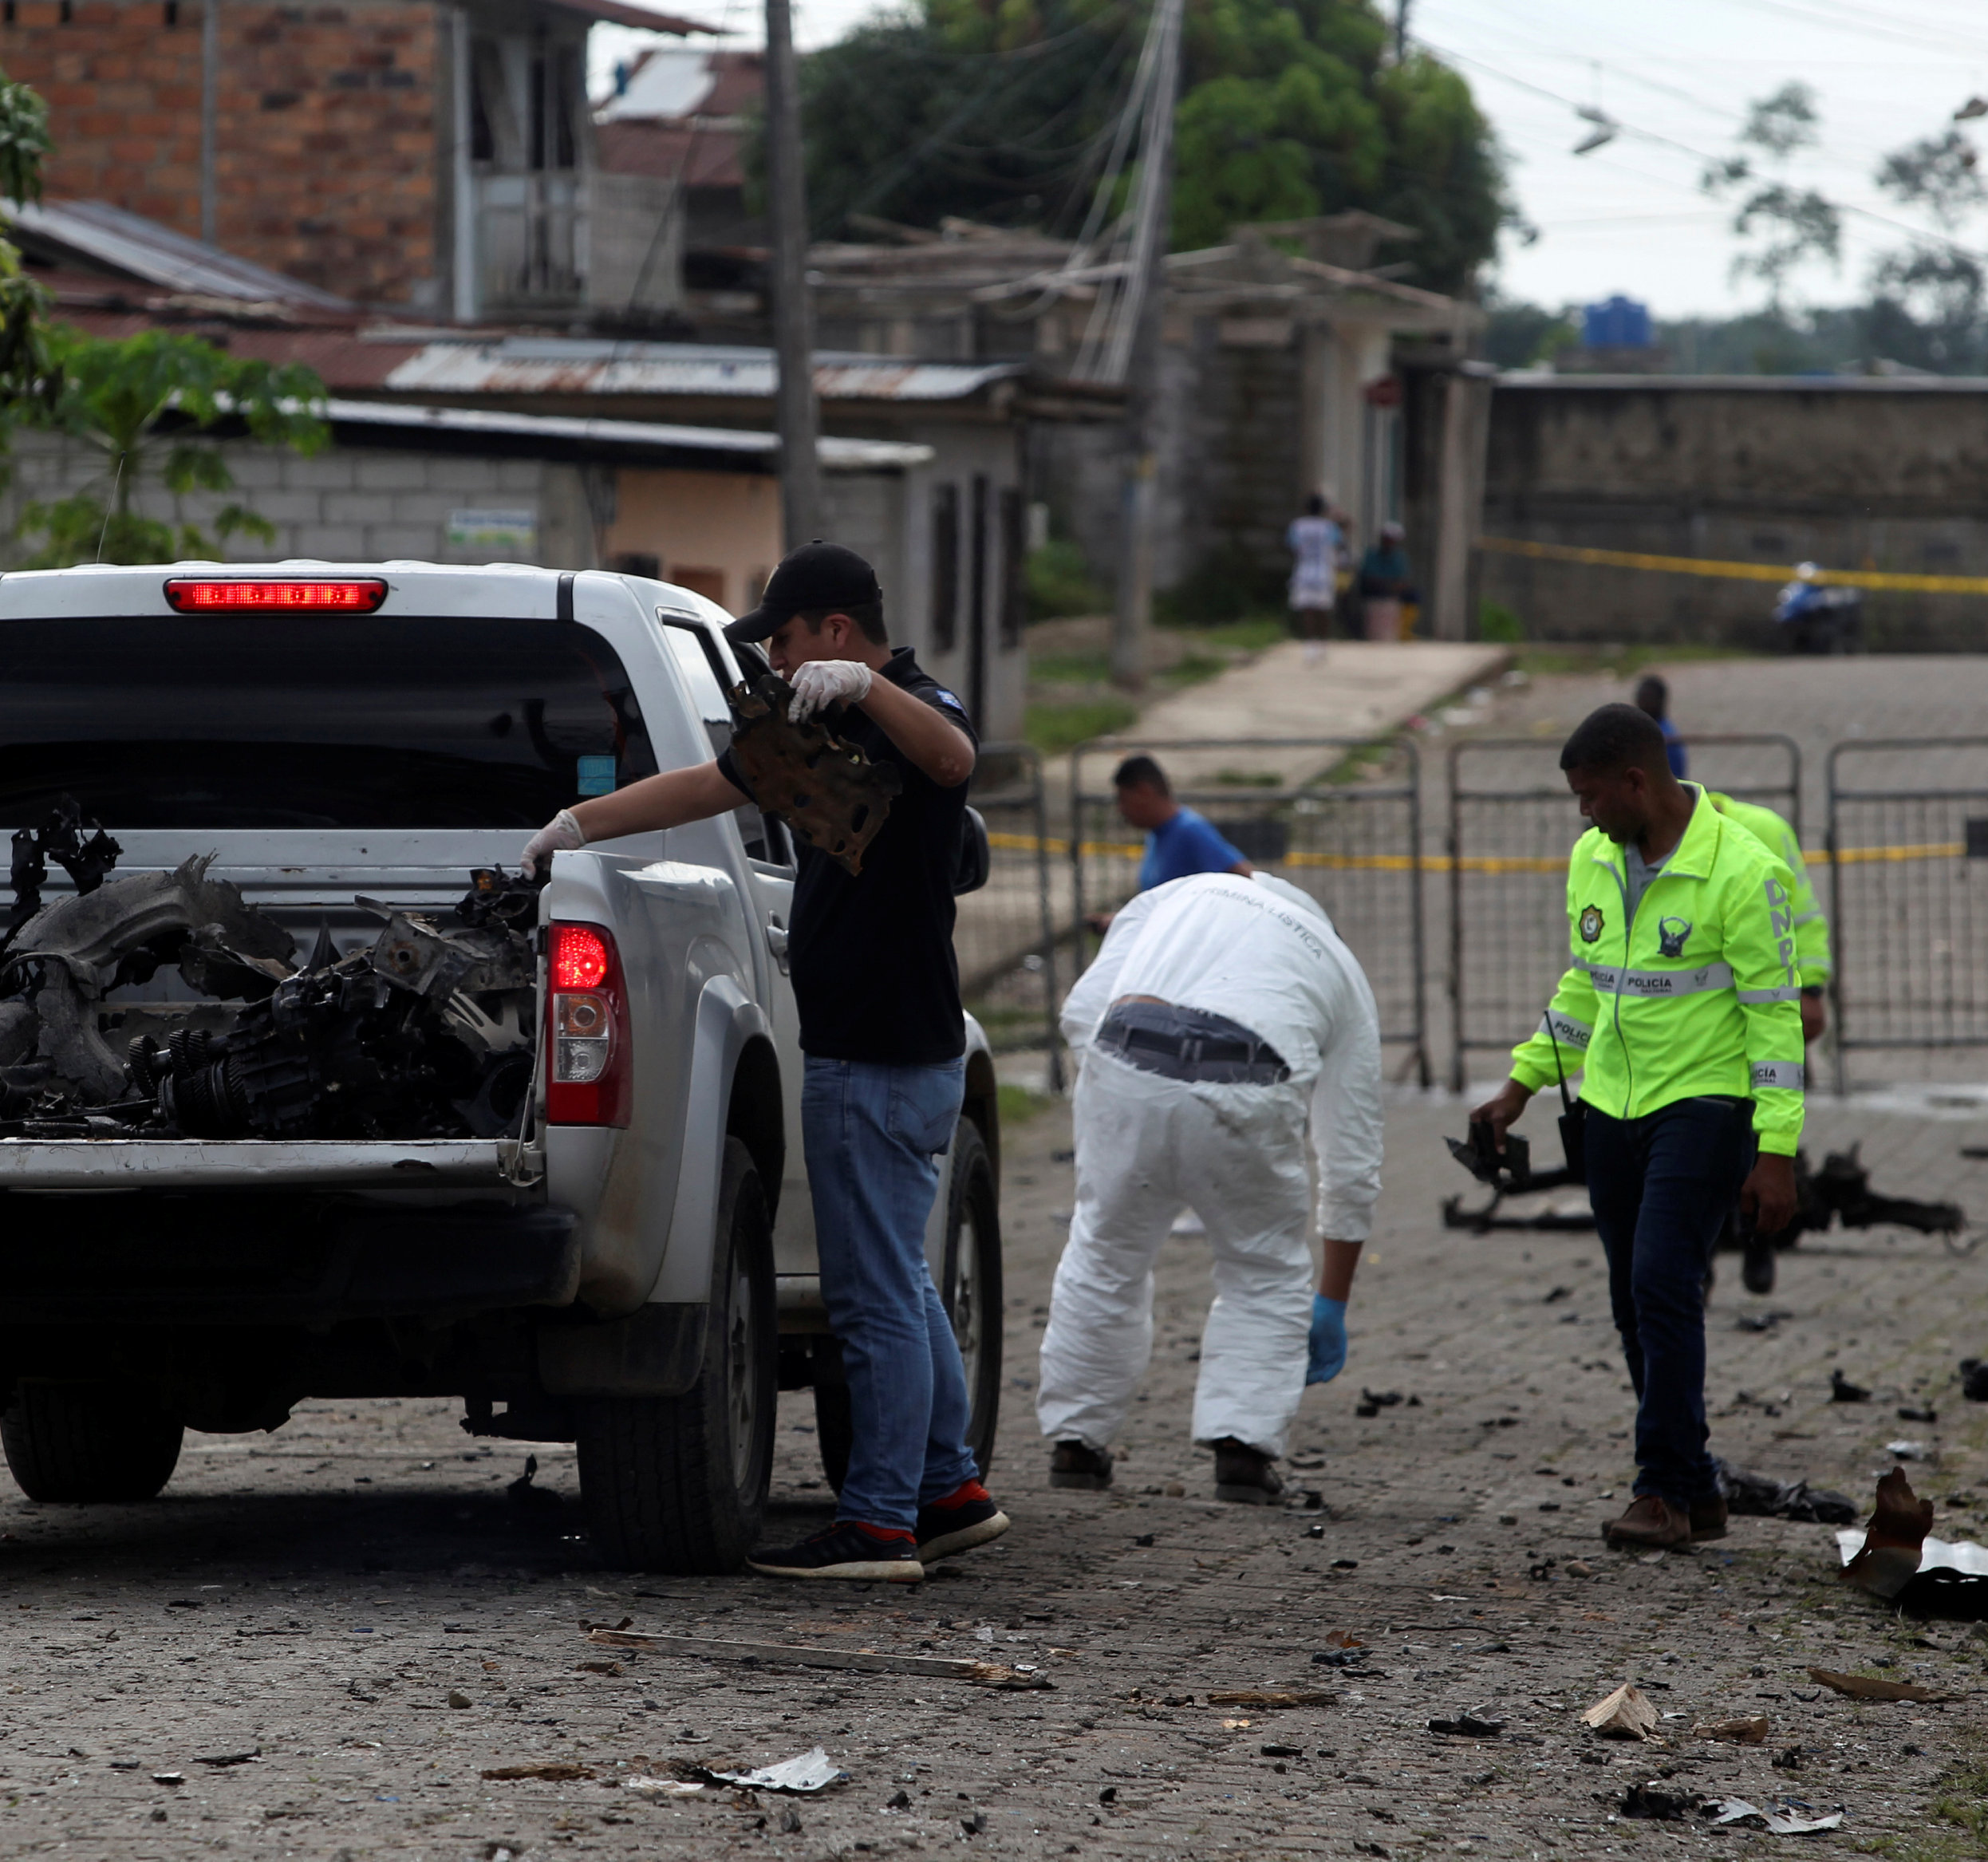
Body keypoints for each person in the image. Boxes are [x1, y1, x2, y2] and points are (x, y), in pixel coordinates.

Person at [519, 541, 1006, 1582]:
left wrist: (873, 684)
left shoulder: (911, 704)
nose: (775, 662)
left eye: (782, 639)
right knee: (905, 1285)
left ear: (837, 631)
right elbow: (709, 783)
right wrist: (576, 824)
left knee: (872, 1298)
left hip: (878, 1053)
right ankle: (948, 1485)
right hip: (891, 1047)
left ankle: (879, 1522)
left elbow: (957, 762)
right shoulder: (822, 722)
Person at [1469, 704, 1802, 1552]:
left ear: (1635, 783)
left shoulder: (1741, 870)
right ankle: (1695, 1483)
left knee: (1661, 1282)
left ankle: (1659, 1491)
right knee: (1630, 1299)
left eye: (1589, 797)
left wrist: (1774, 1150)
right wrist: (1518, 1088)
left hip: (1704, 1105)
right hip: (1610, 1110)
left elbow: (1774, 1021)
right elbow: (1585, 988)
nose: (1582, 815)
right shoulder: (1594, 859)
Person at [1037, 873, 1382, 1502]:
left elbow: (1081, 1012)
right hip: (1248, 1083)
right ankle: (1241, 1452)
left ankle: (1075, 1447)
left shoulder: (1177, 895)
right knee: (1264, 1267)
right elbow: (1352, 1155)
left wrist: (1117, 1105)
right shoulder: (1339, 967)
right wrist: (1332, 1299)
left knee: (1104, 1253)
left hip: (1124, 1058)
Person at [1695, 783, 1828, 1296]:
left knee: (1758, 1142)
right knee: (1699, 1153)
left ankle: (1759, 1243)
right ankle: (1701, 1262)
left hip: (1763, 1020)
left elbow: (1804, 918)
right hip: (1706, 1033)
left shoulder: (1766, 830)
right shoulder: (1657, 842)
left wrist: (1811, 990)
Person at [1083, 755, 1252, 934]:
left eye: (1123, 800)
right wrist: (1120, 920)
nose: (1121, 810)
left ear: (1143, 792)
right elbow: (1159, 907)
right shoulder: (1156, 835)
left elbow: (1247, 878)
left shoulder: (1190, 830)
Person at [1287, 493, 1346, 665]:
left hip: (1304, 571)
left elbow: (1292, 548)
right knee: (1324, 610)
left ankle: (1310, 645)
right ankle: (1322, 644)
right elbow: (1339, 545)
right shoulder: (1329, 527)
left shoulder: (1297, 526)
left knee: (1308, 610)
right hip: (1324, 572)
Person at [1356, 523, 1414, 643]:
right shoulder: (1372, 555)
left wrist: (1387, 586)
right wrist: (1389, 585)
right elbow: (1368, 580)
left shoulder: (1399, 558)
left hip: (1392, 601)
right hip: (1372, 600)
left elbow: (1403, 583)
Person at [1633, 674, 1686, 780]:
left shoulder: (1664, 739)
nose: (1640, 703)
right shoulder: (1648, 730)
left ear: (1660, 701)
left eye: (1646, 698)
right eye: (1639, 698)